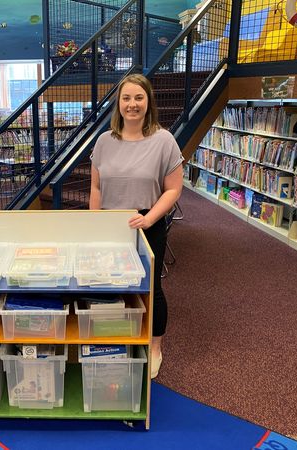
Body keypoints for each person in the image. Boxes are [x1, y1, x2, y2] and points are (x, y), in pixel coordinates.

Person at [89, 73, 183, 378]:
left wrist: (150, 218)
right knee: (111, 284)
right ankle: (119, 339)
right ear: (119, 103)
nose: (132, 104)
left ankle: (155, 347)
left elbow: (173, 189)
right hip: (111, 225)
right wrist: (95, 222)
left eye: (138, 98)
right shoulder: (104, 141)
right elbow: (96, 188)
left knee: (152, 288)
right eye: (126, 98)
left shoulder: (163, 140)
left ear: (148, 102)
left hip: (147, 223)